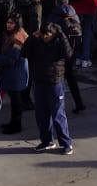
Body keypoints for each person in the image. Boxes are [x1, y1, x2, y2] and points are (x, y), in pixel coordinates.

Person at [22, 22, 74, 154]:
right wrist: (32, 37)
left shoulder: (59, 43)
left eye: (48, 35)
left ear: (53, 34)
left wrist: (61, 35)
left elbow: (69, 55)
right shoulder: (37, 41)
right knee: (41, 114)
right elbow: (24, 53)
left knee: (57, 114)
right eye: (43, 34)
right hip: (39, 82)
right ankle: (47, 141)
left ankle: (66, 143)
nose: (45, 37)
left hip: (54, 82)